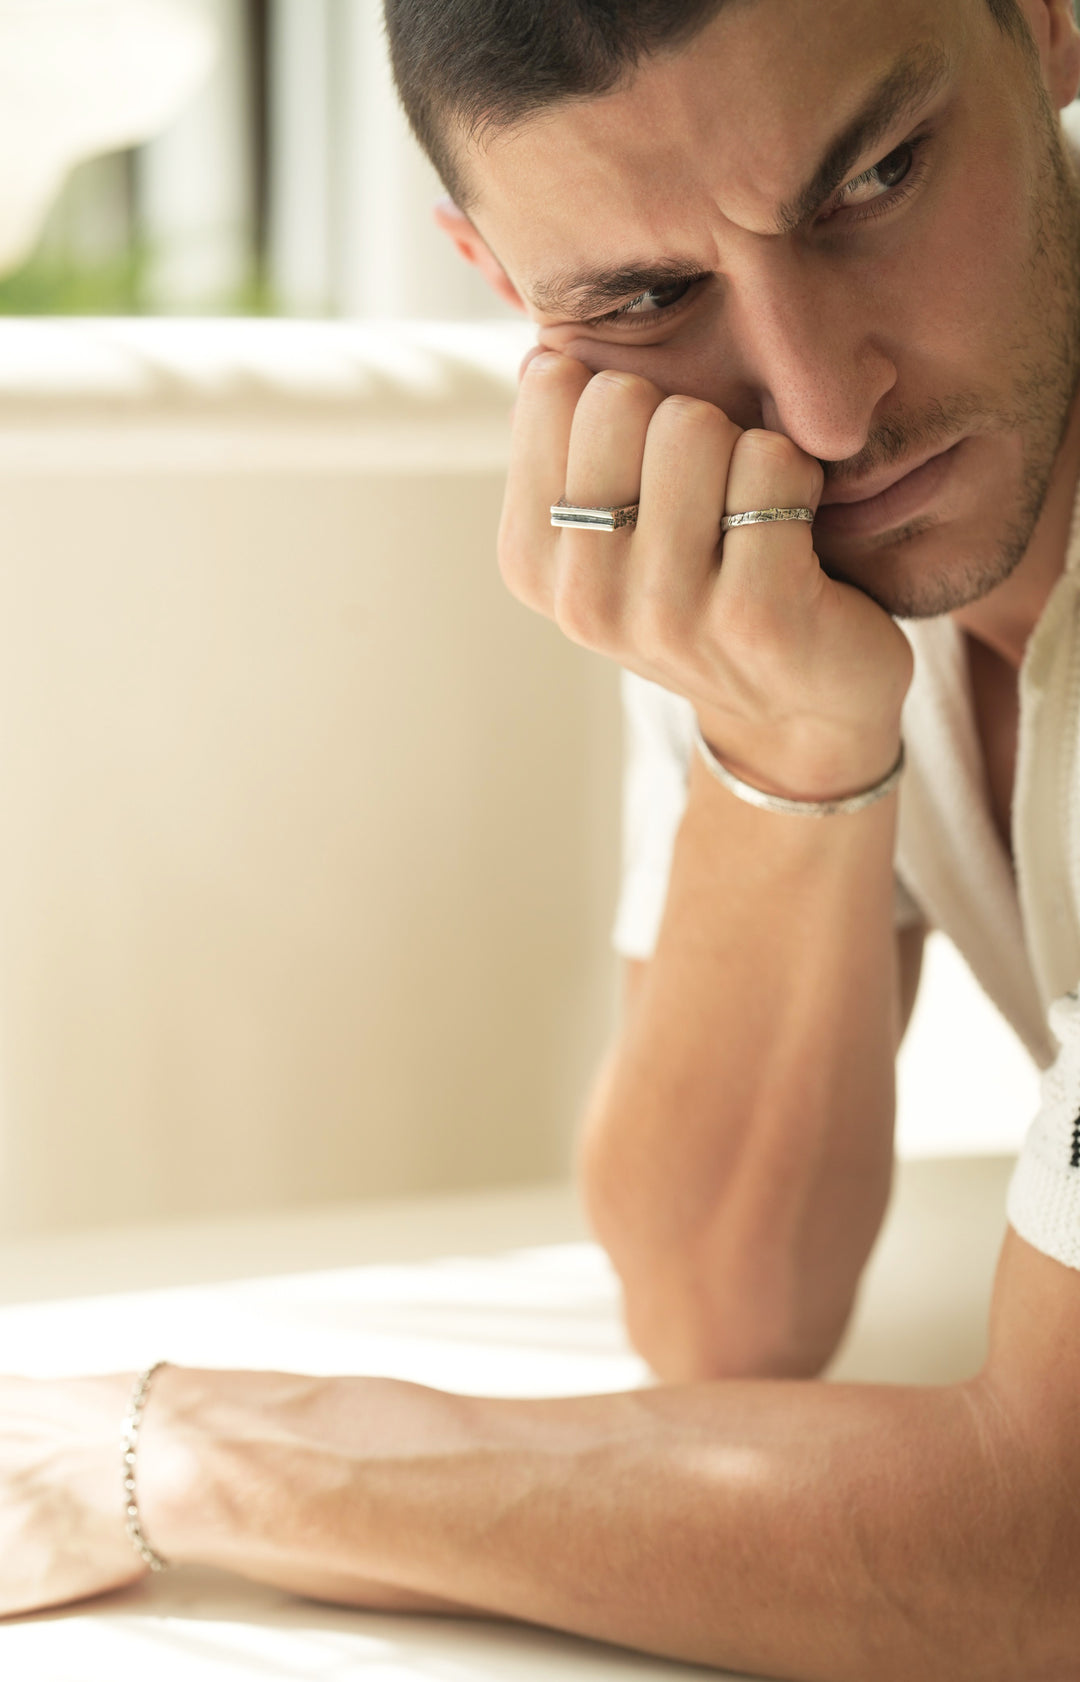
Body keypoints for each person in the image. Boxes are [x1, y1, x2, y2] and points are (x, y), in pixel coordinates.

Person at [3, 2, 1080, 1677]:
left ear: (1051, 28)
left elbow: (1050, 1545)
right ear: (505, 286)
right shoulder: (730, 482)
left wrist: (186, 1449)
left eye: (876, 175)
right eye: (649, 295)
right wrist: (784, 743)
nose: (825, 402)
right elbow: (725, 1315)